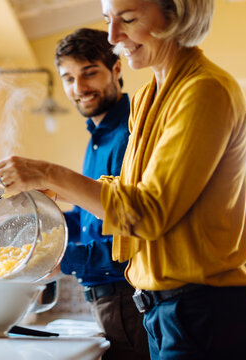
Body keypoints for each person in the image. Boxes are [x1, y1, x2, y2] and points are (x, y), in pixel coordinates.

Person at [0, 0, 246, 359]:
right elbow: (128, 193)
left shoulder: (204, 90)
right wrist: (57, 191)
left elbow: (147, 213)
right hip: (164, 312)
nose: (113, 35)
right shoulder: (146, 99)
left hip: (209, 314)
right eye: (108, 20)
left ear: (177, 16)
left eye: (128, 19)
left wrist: (50, 173)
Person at [54, 28, 149, 359]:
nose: (78, 88)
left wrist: (58, 256)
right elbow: (90, 218)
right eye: (68, 78)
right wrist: (41, 223)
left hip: (127, 297)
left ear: (117, 69)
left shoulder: (130, 133)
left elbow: (131, 227)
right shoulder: (96, 137)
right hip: (109, 299)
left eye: (89, 72)